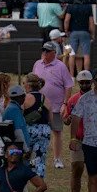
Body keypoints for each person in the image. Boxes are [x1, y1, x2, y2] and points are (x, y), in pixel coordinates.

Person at [32, 41, 73, 170]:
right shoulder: (37, 64)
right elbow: (32, 82)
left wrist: (65, 103)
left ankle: (57, 159)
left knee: (57, 131)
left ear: (54, 53)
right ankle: (36, 157)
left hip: (56, 105)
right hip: (39, 105)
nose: (44, 53)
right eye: (43, 50)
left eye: (47, 51)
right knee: (36, 131)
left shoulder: (61, 66)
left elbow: (68, 85)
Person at [63, 70, 92, 192]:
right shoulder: (73, 100)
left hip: (95, 141)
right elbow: (66, 118)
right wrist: (67, 119)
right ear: (79, 83)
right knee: (77, 168)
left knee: (93, 172)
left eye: (87, 82)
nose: (85, 85)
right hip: (78, 139)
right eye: (82, 83)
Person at [22, 73, 53, 178]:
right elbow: (51, 119)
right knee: (40, 158)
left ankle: (23, 180)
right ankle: (40, 185)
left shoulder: (26, 98)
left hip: (29, 130)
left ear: (28, 85)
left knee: (24, 156)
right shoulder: (46, 99)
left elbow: (20, 116)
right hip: (44, 130)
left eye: (24, 83)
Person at [64, 3, 96, 73]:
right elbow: (91, 22)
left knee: (72, 54)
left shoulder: (71, 5)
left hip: (73, 32)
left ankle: (71, 75)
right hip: (85, 32)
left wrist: (66, 31)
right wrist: (93, 34)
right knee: (86, 55)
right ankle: (87, 74)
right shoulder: (88, 6)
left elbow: (66, 20)